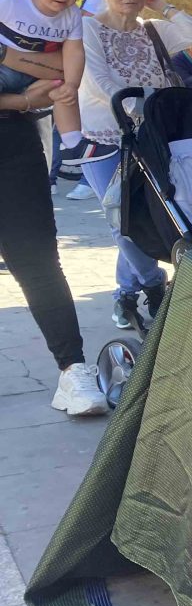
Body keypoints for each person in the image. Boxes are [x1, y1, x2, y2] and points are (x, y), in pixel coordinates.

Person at [78, 0, 192, 328]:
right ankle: (154, 284)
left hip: (152, 137)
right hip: (107, 139)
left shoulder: (154, 31)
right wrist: (141, 107)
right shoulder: (89, 28)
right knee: (121, 218)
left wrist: (163, 5)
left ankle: (125, 295)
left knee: (143, 215)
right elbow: (100, 81)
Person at [0, 74, 107, 415]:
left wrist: (29, 98)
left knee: (38, 264)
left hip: (13, 141)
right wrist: (20, 99)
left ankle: (73, 370)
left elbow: (54, 79)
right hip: (17, 120)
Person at [0, 0, 110, 167]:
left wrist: (72, 84)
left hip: (39, 78)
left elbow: (74, 51)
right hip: (4, 70)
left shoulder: (71, 15)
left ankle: (74, 144)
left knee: (64, 90)